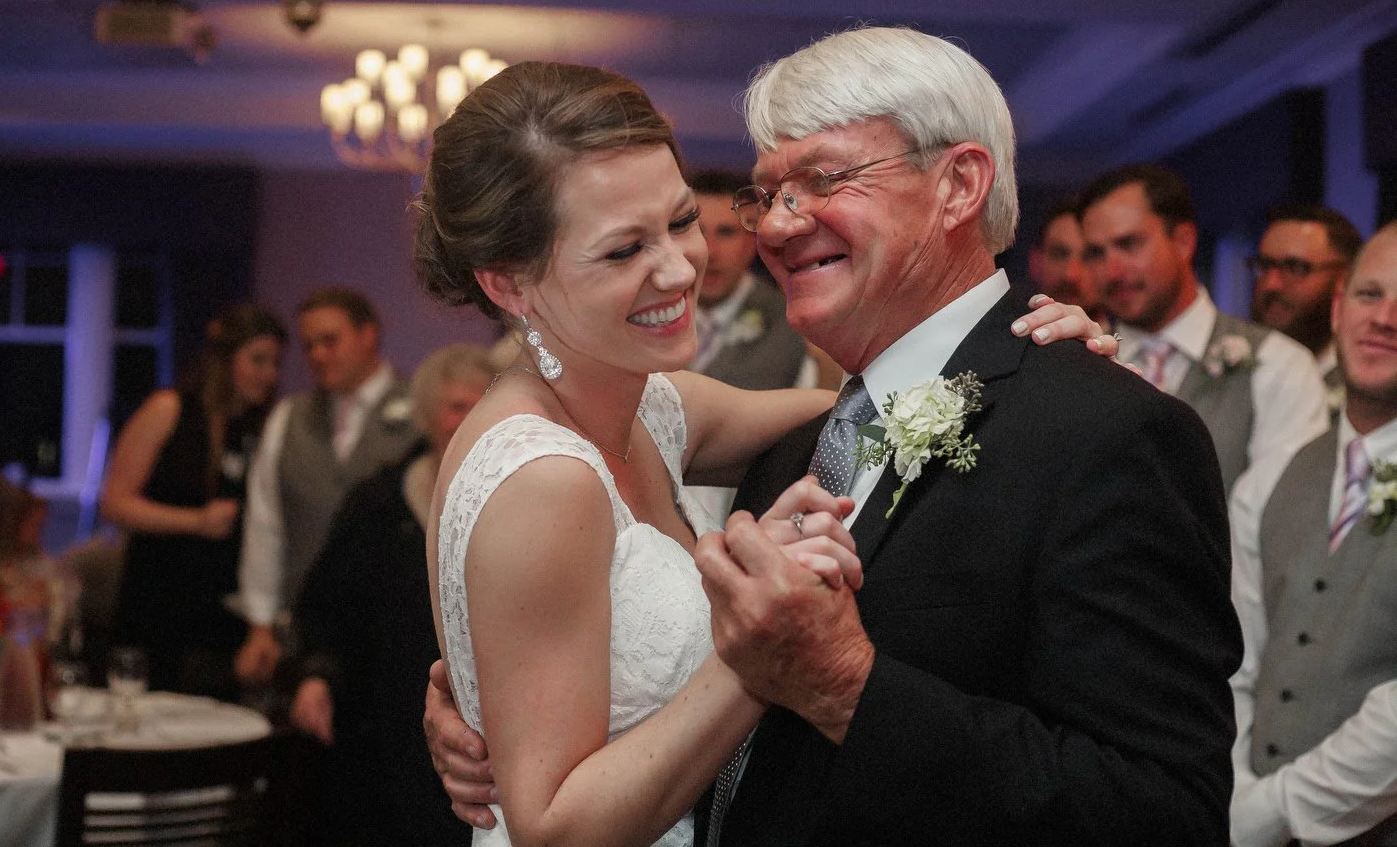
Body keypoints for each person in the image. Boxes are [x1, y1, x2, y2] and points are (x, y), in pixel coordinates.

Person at [416, 57, 1121, 847]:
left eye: (681, 221)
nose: (683, 267)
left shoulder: (650, 405)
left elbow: (871, 411)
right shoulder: (543, 477)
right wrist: (757, 656)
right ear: (509, 284)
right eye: (622, 252)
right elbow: (553, 831)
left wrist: (1018, 362)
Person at [1229, 222, 1397, 847]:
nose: (1385, 318)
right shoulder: (1271, 478)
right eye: (1369, 294)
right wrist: (1233, 788)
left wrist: (1265, 813)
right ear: (1337, 309)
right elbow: (1237, 658)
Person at [288, 344, 494, 847]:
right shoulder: (378, 502)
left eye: (479, 406)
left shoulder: (525, 497)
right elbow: (328, 604)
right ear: (426, 415)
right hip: (383, 731)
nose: (466, 421)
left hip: (481, 732)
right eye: (454, 407)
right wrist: (317, 674)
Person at [1078, 164, 1327, 496]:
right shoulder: (1078, 363)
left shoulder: (1279, 365)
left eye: (1129, 244)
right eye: (1096, 253)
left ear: (1183, 242)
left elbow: (1285, 514)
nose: (1112, 270)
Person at [234, 286, 419, 689]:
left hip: (395, 633)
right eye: (309, 346)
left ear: (368, 336)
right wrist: (260, 623)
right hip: (306, 629)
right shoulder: (289, 416)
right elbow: (266, 525)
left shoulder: (422, 407)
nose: (318, 355)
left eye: (329, 341)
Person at [100, 302, 285, 698]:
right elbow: (114, 502)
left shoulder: (262, 426)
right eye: (257, 360)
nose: (269, 374)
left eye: (275, 363)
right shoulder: (171, 408)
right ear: (226, 358)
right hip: (158, 602)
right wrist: (196, 521)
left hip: (221, 614)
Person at [685, 168, 827, 522]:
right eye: (697, 231)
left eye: (727, 232)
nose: (711, 250)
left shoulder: (794, 319)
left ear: (753, 239)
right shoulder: (648, 314)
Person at [1249, 204, 1362, 407]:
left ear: (1346, 278)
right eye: (1264, 266)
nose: (1271, 284)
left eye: (1296, 268)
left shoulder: (1367, 379)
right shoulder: (1236, 368)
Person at [1026, 193, 1104, 322]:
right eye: (1059, 255)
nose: (1070, 275)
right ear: (1035, 262)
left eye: (1088, 256)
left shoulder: (1126, 341)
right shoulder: (1001, 337)